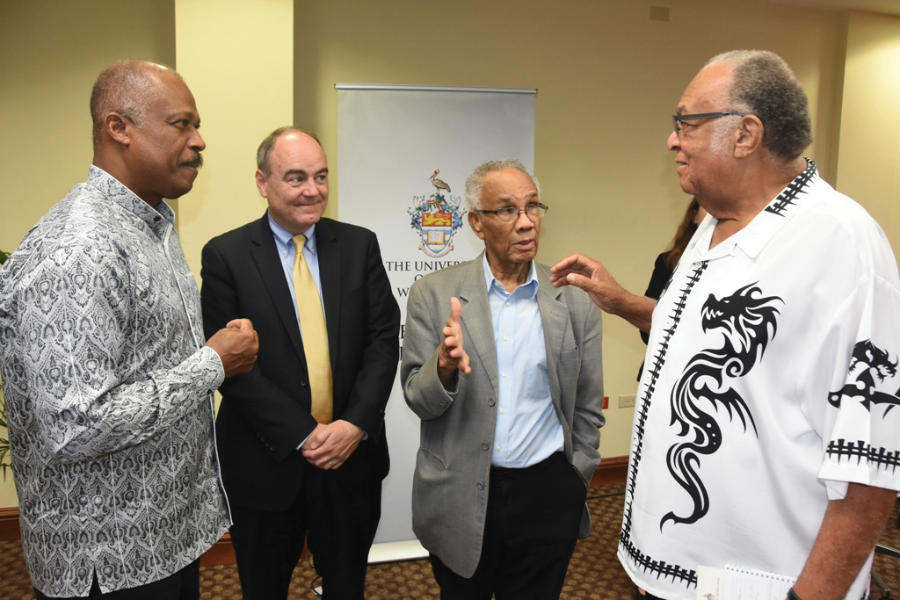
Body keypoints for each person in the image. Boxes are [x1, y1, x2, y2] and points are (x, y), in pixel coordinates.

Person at [552, 50, 900, 600]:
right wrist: (622, 301)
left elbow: (869, 462)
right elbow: (701, 335)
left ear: (745, 134)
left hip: (758, 585)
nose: (672, 140)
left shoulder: (840, 243)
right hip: (671, 574)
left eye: (686, 123)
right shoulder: (715, 223)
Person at [0, 60, 259, 599]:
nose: (200, 141)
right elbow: (77, 425)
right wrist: (212, 365)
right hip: (109, 563)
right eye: (181, 124)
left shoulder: (149, 225)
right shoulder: (80, 248)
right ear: (119, 128)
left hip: (163, 540)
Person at [200, 127, 400, 600]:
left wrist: (354, 424)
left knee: (347, 584)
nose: (313, 190)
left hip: (351, 458)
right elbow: (231, 366)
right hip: (266, 463)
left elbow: (382, 340)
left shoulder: (359, 245)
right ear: (262, 182)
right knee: (264, 587)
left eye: (321, 176)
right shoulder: (225, 256)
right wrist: (304, 435)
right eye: (295, 178)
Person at [401, 159, 605, 599]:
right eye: (508, 210)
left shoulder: (572, 299)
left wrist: (577, 473)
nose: (527, 222)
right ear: (476, 222)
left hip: (547, 491)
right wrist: (443, 365)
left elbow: (587, 401)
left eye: (533, 207)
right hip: (459, 491)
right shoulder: (433, 294)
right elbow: (418, 399)